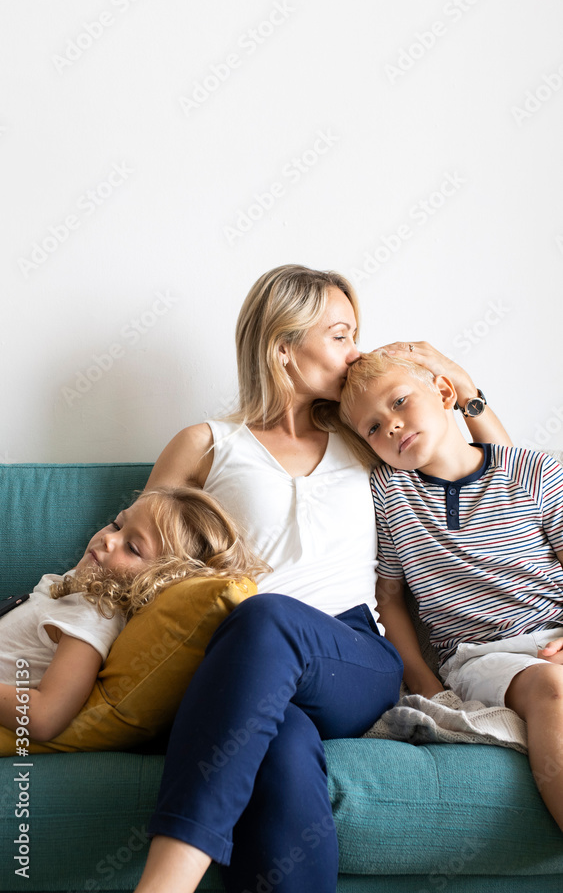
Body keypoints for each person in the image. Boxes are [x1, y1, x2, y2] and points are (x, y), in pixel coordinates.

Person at [134, 264, 512, 893]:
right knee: (276, 748)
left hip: (353, 656)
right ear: (283, 346)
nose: (356, 351)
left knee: (265, 614)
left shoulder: (368, 440)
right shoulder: (207, 444)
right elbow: (135, 559)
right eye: (341, 335)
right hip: (242, 663)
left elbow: (496, 484)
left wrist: (465, 388)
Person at [339, 349, 563, 830]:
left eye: (399, 403)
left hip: (555, 632)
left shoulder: (534, 470)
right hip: (482, 656)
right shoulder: (388, 493)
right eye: (372, 428)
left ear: (443, 393)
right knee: (551, 686)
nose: (391, 427)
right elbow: (390, 598)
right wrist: (424, 681)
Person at [0, 485, 267, 744]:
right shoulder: (78, 588)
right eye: (117, 525)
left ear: (160, 579)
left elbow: (44, 716)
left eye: (133, 548)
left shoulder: (94, 613)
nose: (109, 538)